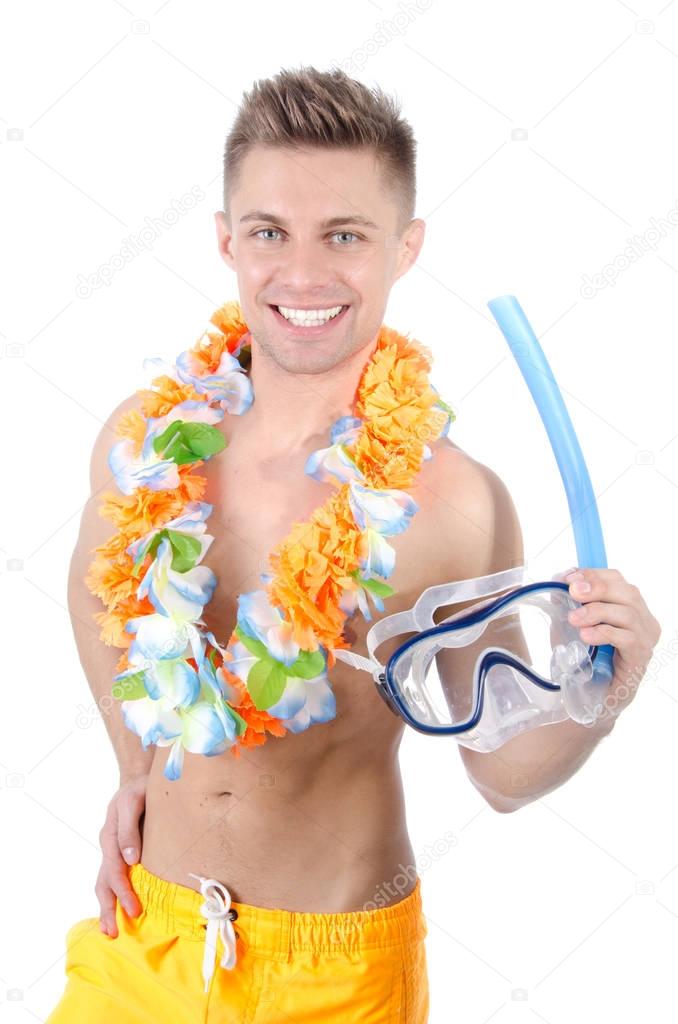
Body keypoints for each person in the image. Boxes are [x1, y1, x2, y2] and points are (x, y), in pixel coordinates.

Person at [48, 65, 660, 1023]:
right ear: (225, 240)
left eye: (344, 235)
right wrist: (134, 764)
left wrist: (606, 690)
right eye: (268, 233)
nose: (301, 275)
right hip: (143, 941)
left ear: (404, 248)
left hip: (334, 976)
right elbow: (93, 589)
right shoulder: (146, 441)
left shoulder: (452, 503)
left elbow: (498, 774)